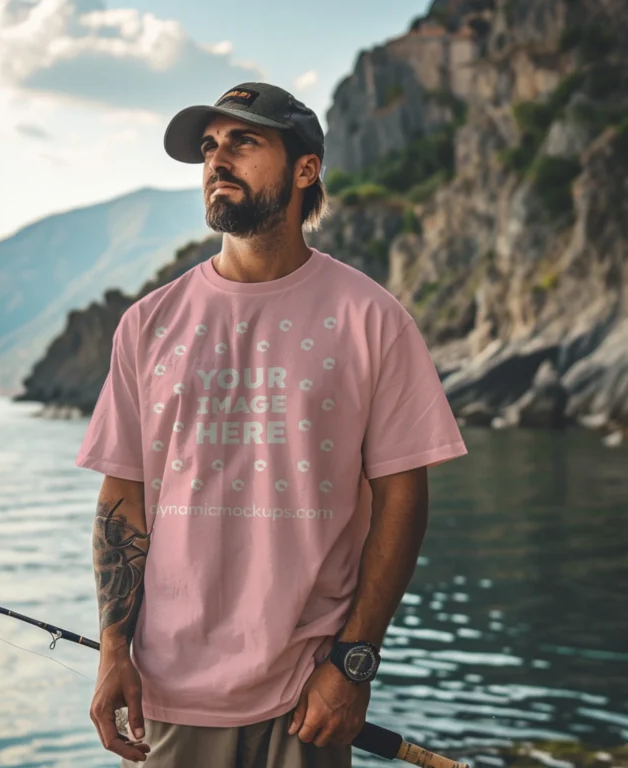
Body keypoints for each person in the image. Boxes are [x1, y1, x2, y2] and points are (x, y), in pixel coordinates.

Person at [75, 81, 468, 767]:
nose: (217, 161)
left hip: (309, 694)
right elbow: (123, 499)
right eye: (209, 147)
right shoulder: (148, 324)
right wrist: (114, 651)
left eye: (243, 142)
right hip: (174, 694)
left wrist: (353, 664)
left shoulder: (372, 319)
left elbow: (403, 498)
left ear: (304, 169)